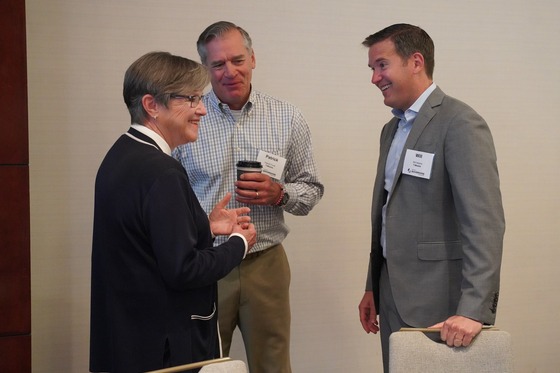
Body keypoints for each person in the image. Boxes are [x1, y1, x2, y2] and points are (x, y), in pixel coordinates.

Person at [89, 51, 257, 373]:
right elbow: (184, 270)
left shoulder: (120, 155)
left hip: (128, 339)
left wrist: (204, 228)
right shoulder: (162, 171)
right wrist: (239, 243)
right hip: (162, 347)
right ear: (152, 105)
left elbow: (144, 243)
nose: (203, 109)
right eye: (192, 99)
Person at [173, 21, 324, 373]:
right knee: (202, 365)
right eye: (218, 64)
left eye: (237, 60)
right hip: (206, 264)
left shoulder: (288, 118)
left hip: (265, 262)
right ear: (205, 69)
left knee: (273, 365)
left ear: (253, 59)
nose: (230, 71)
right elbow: (169, 199)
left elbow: (312, 189)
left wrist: (280, 194)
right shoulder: (186, 119)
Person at [357, 24, 505, 372]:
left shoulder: (460, 123)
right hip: (390, 294)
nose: (375, 78)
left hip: (442, 304)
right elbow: (389, 213)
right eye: (372, 69)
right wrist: (372, 286)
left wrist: (474, 310)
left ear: (416, 62)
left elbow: (485, 224)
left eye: (381, 65)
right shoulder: (390, 130)